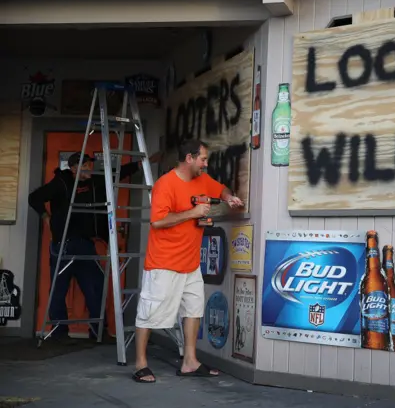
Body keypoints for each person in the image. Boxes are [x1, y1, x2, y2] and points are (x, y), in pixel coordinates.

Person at [132, 139, 243, 384]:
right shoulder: (165, 184)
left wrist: (230, 197)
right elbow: (157, 222)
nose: (206, 164)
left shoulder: (202, 179)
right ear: (189, 158)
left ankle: (190, 362)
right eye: (203, 159)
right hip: (164, 262)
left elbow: (220, 189)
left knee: (193, 310)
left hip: (191, 263)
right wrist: (191, 214)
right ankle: (140, 364)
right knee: (149, 313)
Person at [28, 150, 161, 343]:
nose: (89, 168)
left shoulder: (96, 181)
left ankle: (98, 332)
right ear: (73, 168)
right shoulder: (61, 183)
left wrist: (143, 162)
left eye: (90, 164)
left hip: (86, 244)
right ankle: (59, 332)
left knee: (95, 286)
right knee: (58, 289)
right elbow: (35, 198)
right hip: (64, 244)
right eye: (84, 165)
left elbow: (120, 172)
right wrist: (46, 217)